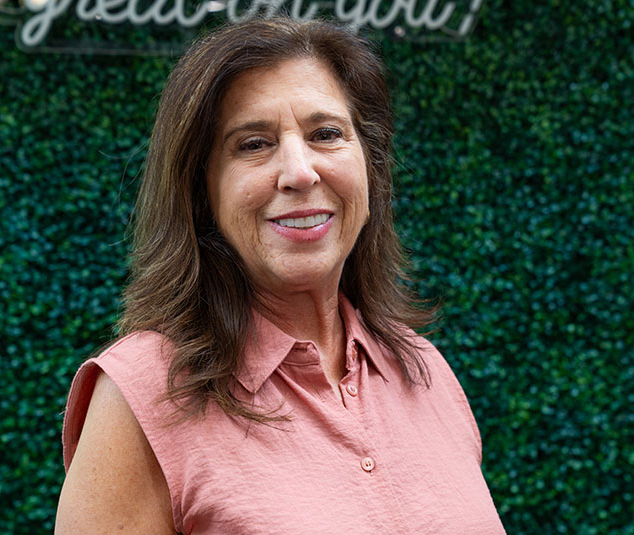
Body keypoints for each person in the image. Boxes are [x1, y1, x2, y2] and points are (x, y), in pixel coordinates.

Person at [54, 17, 505, 535]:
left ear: (369, 163)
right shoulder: (145, 395)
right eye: (253, 144)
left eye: (326, 134)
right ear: (202, 190)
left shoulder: (423, 369)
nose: (299, 171)